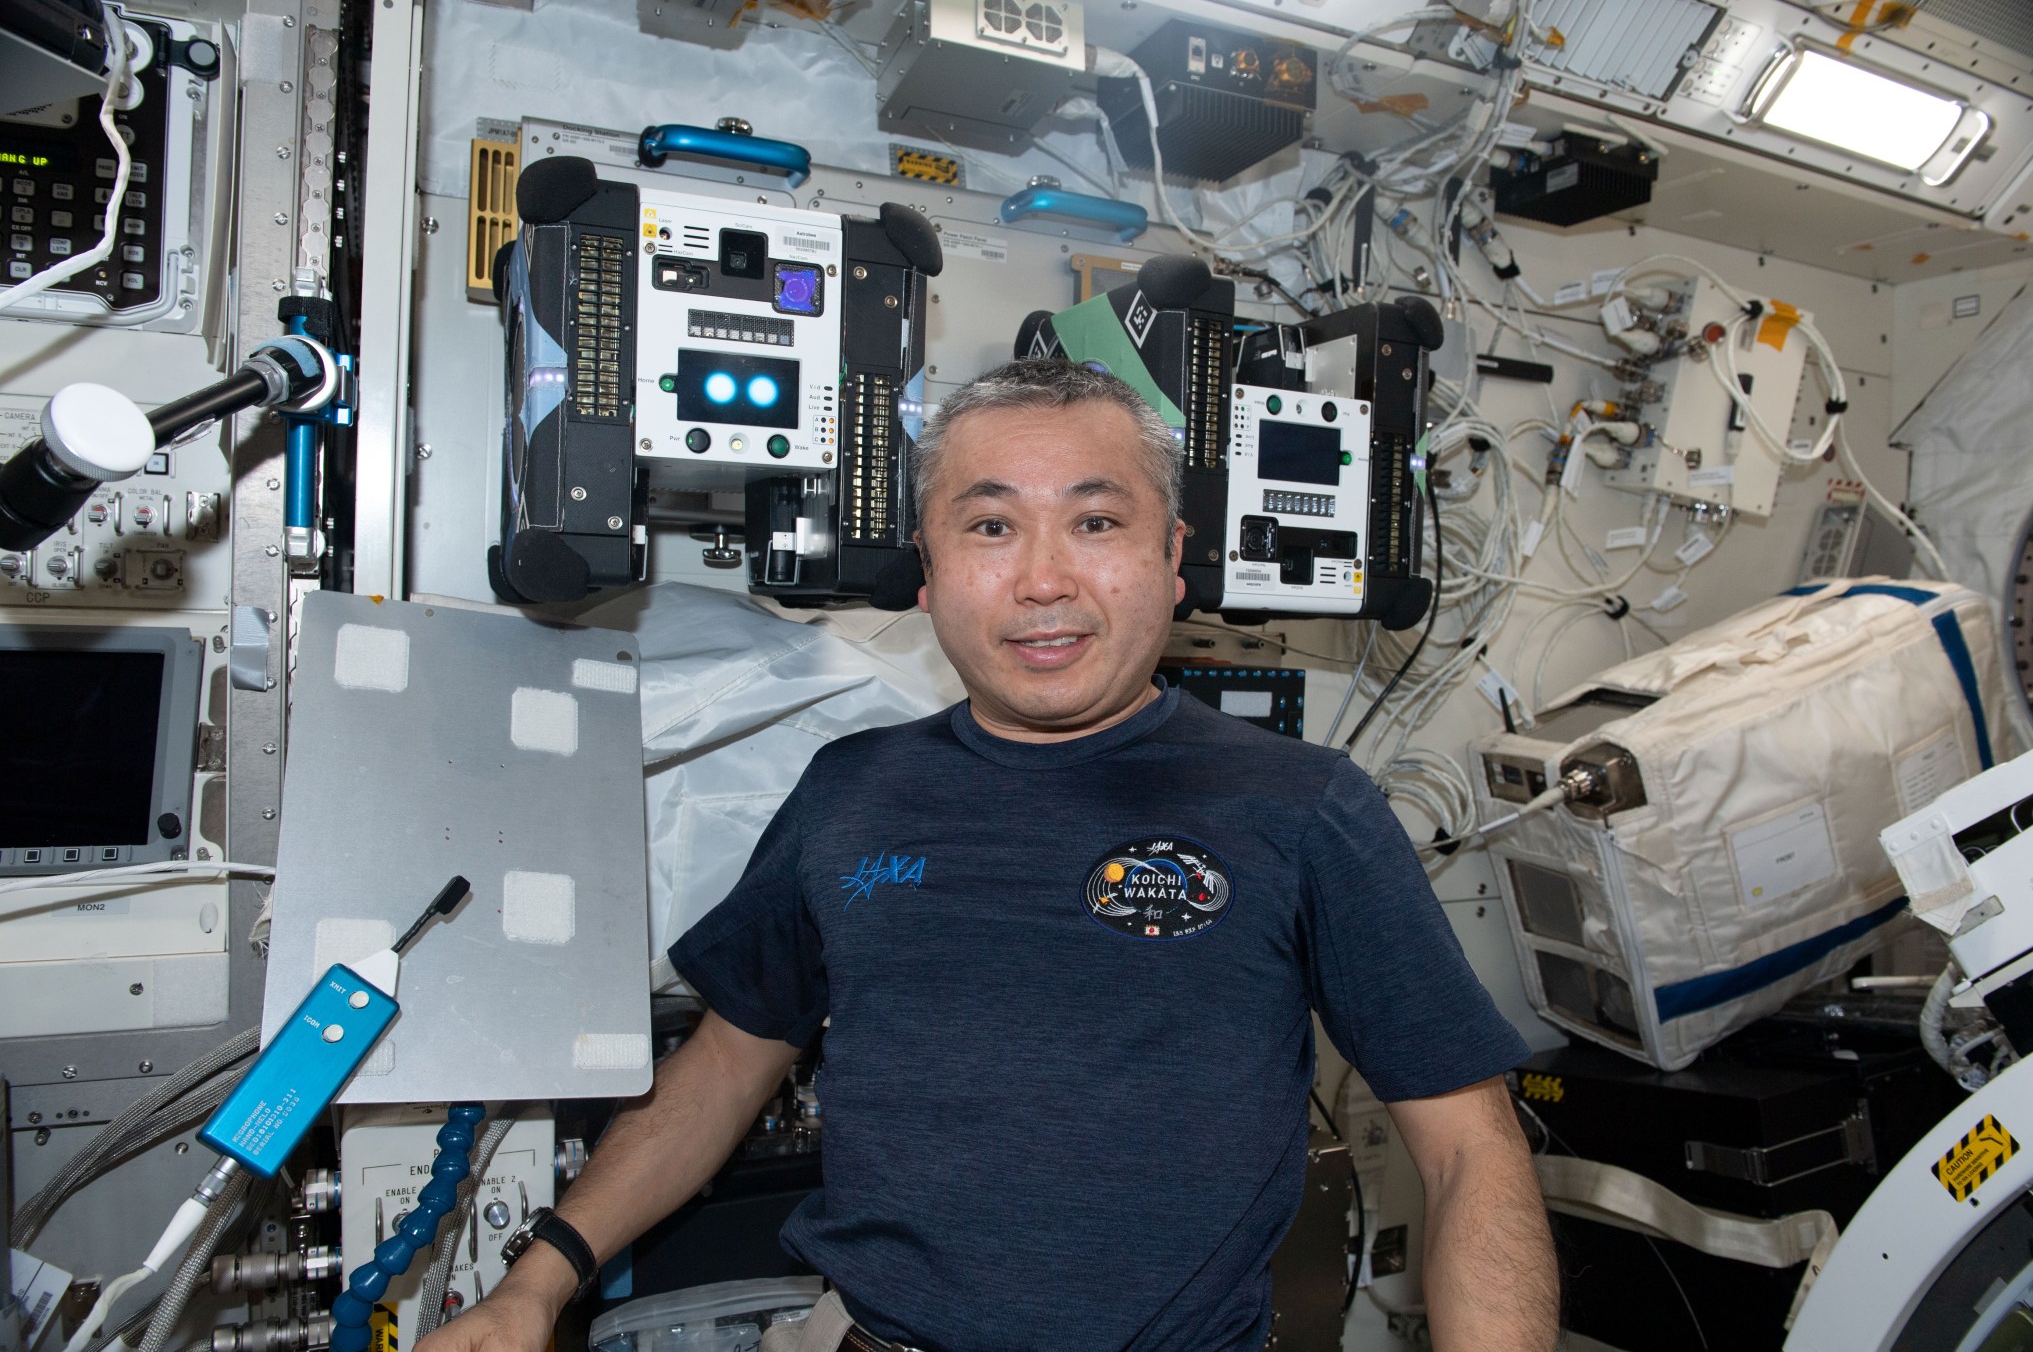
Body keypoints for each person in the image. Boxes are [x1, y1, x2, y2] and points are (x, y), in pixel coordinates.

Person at [427, 358, 1558, 1352]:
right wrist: (537, 1285)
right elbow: (724, 1068)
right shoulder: (850, 793)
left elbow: (1467, 1148)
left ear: (1172, 558)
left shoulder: (1302, 808)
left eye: (1096, 523)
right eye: (989, 525)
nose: (1042, 580)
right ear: (926, 570)